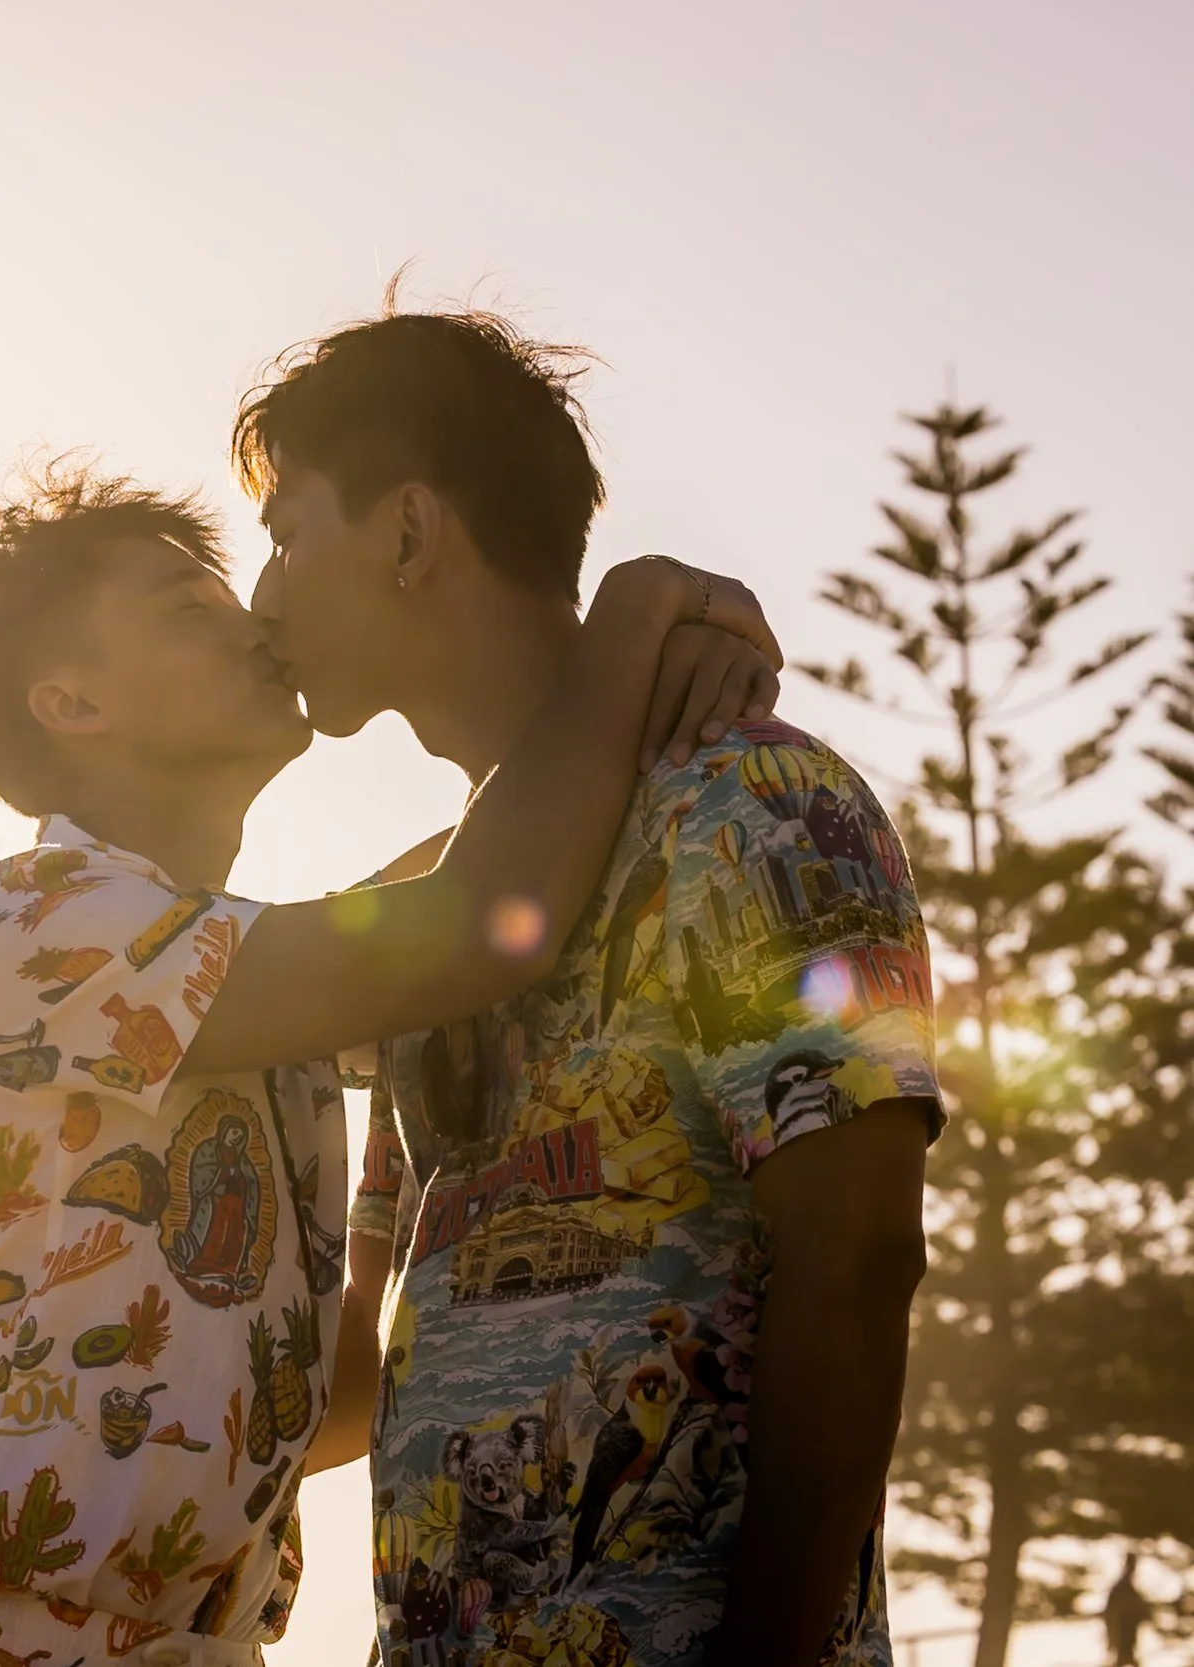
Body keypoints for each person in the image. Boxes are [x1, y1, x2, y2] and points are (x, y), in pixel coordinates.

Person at [0, 460, 780, 1667]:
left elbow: (501, 850)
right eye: (185, 607)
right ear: (70, 702)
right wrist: (635, 617)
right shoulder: (32, 925)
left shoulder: (241, 983)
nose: (250, 621)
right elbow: (481, 914)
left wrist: (651, 720)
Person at [238, 301, 941, 1667]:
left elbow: (857, 1255)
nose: (262, 599)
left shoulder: (760, 803)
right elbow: (370, 1359)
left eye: (284, 535)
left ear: (406, 530)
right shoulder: (432, 923)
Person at [1105, 1552, 1152, 1667]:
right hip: (1123, 1637)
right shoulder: (1122, 1588)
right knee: (1125, 1659)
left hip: (1128, 1638)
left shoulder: (1129, 1588)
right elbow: (1112, 1615)